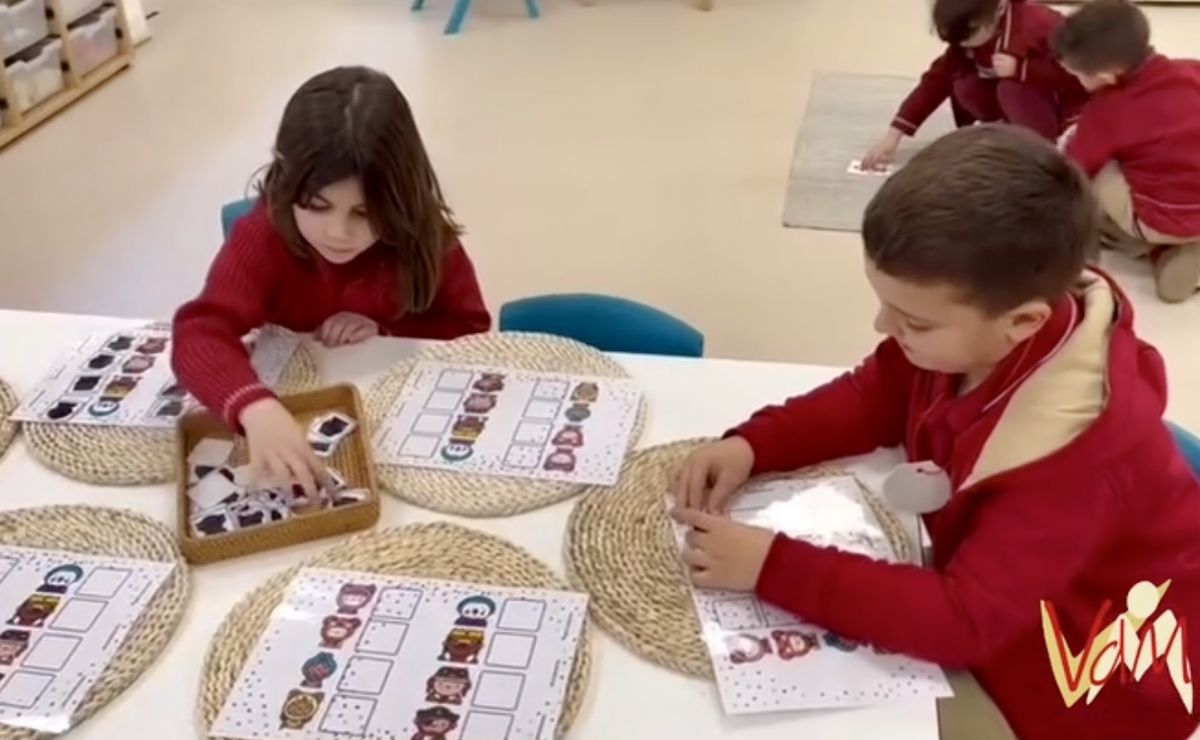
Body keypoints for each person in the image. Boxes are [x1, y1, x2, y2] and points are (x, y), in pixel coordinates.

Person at [673, 126, 1200, 740]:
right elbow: (877, 394)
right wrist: (754, 444)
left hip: (1088, 674)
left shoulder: (1076, 467)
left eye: (912, 321)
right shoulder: (987, 332)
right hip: (1002, 586)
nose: (881, 325)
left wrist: (772, 566)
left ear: (1021, 321)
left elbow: (962, 621)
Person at [173, 66, 491, 492]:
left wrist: (387, 328)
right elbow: (199, 331)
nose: (338, 233)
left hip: (391, 426)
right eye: (317, 206)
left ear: (401, 197)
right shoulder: (263, 236)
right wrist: (254, 407)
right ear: (286, 186)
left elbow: (469, 333)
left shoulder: (425, 236)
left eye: (363, 213)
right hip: (293, 402)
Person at [1053, 0, 1200, 303]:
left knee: (1086, 167)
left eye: (1077, 75)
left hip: (1160, 220)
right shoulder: (1192, 70)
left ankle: (1124, 249)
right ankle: (1178, 249)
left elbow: (1075, 168)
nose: (1077, 82)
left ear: (1108, 76)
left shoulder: (1106, 110)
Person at [862, 0, 1084, 171]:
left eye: (969, 35)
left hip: (1060, 103)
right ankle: (1002, 130)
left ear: (998, 9)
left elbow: (1081, 74)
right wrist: (894, 134)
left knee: (1011, 88)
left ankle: (1036, 147)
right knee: (962, 82)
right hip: (1017, 102)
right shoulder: (968, 40)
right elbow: (935, 82)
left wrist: (1024, 69)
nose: (962, 44)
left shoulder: (1039, 24)